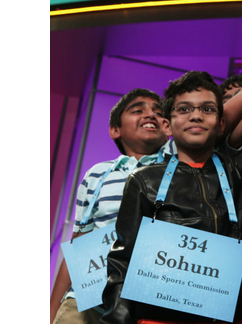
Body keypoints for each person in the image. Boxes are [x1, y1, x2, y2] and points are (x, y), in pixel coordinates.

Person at [100, 71, 242, 324]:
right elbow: (122, 262)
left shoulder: (238, 172)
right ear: (167, 125)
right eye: (183, 109)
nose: (196, 116)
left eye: (207, 109)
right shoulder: (143, 180)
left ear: (220, 123)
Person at [50, 89, 175, 324]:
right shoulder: (97, 174)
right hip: (86, 301)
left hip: (148, 299)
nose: (151, 115)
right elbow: (78, 244)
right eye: (138, 110)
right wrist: (51, 311)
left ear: (168, 126)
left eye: (159, 112)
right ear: (115, 130)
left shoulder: (180, 169)